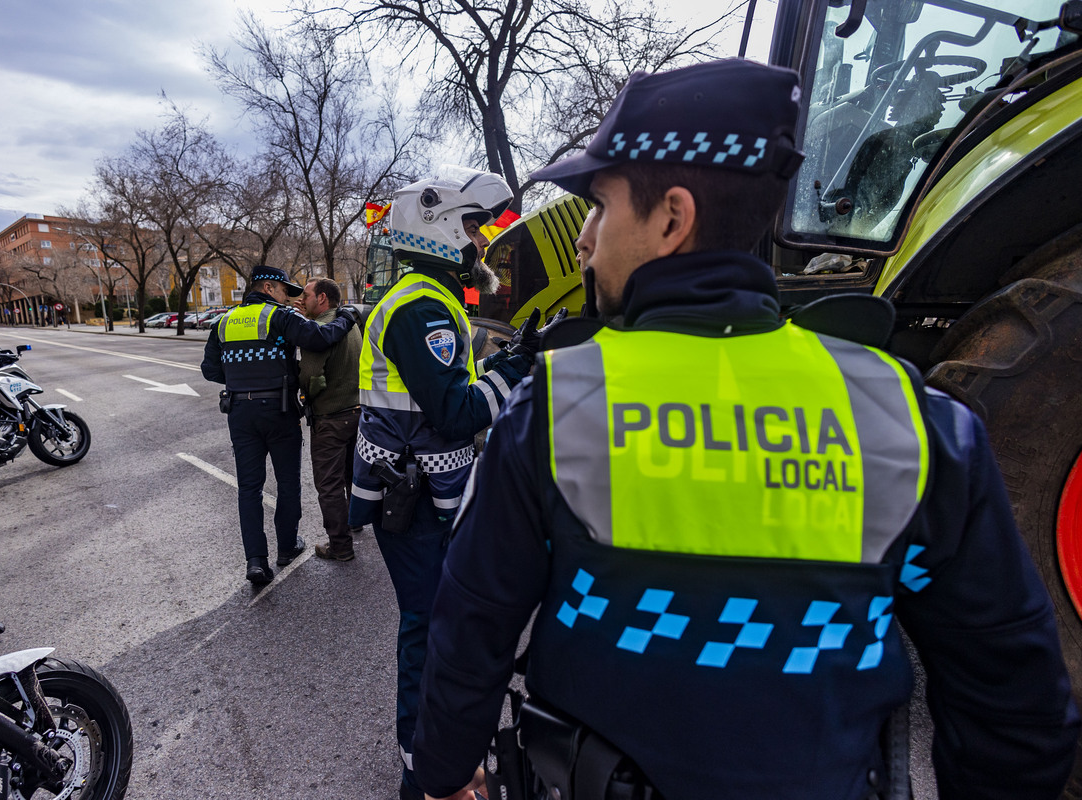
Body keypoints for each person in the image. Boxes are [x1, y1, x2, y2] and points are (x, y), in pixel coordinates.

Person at [412, 60, 1080, 800]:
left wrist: (445, 774)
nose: (585, 240)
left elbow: (471, 627)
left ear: (671, 217)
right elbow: (1011, 691)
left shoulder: (558, 408)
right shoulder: (911, 419)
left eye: (599, 207)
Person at [348, 166, 545, 800]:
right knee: (429, 622)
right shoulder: (421, 306)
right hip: (414, 496)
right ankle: (421, 762)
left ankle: (428, 751)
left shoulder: (427, 300)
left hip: (411, 485)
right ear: (434, 231)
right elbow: (456, 413)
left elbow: (447, 381)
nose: (479, 241)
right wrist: (514, 371)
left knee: (430, 619)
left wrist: (499, 359)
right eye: (470, 227)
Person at [201, 265, 360, 586]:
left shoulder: (223, 321)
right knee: (287, 483)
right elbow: (321, 337)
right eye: (285, 291)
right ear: (269, 287)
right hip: (279, 407)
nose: (289, 298)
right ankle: (287, 547)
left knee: (249, 487)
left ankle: (256, 562)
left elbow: (209, 369)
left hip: (240, 412)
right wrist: (348, 315)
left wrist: (241, 379)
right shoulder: (279, 317)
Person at [297, 277, 363, 562]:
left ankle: (340, 545)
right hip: (358, 412)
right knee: (351, 475)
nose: (302, 299)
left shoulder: (318, 332)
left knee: (329, 485)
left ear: (322, 299)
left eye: (307, 294)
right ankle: (356, 519)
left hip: (330, 418)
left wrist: (307, 394)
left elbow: (310, 377)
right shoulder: (350, 325)